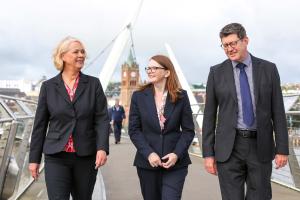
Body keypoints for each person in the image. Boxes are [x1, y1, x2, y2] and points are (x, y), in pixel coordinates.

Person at [202, 23, 289, 200]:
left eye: (233, 43)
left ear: (246, 41)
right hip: (228, 149)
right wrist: (208, 154)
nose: (229, 49)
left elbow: (278, 112)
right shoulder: (216, 73)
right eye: (225, 45)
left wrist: (282, 149)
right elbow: (209, 117)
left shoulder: (269, 69)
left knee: (260, 197)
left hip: (260, 146)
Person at [28, 36, 110, 200]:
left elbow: (102, 119)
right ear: (63, 56)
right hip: (56, 156)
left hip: (86, 157)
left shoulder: (94, 84)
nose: (81, 55)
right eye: (76, 52)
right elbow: (40, 125)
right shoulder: (49, 87)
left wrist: (102, 148)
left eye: (83, 52)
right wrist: (34, 159)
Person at [129, 55, 195, 200]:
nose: (150, 71)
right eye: (148, 68)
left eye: (155, 68)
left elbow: (188, 130)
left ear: (167, 72)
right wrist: (149, 153)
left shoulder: (181, 96)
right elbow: (134, 130)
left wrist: (176, 154)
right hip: (147, 163)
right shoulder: (138, 96)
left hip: (175, 164)